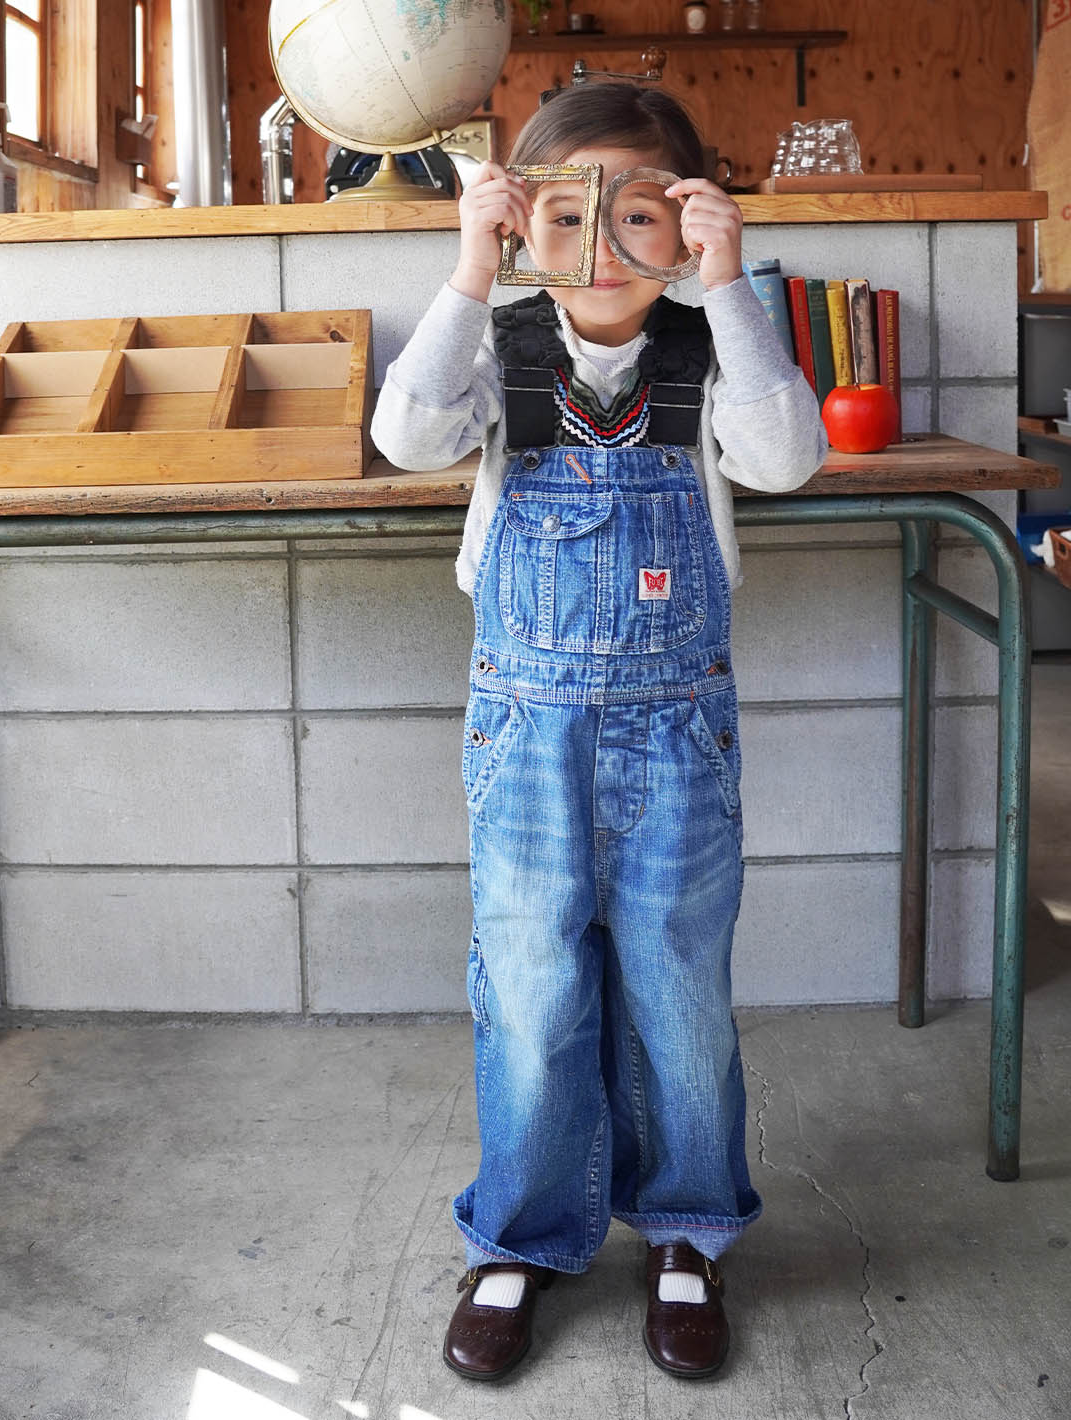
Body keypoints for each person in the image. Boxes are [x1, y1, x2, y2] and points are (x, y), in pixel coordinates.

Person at [371, 82, 826, 1382]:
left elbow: (785, 455)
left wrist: (731, 287)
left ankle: (686, 1233)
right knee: (528, 988)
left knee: (678, 990)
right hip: (524, 727)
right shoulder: (500, 349)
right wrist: (468, 270)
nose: (605, 252)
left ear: (687, 225)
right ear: (521, 224)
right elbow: (407, 436)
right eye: (567, 217)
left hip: (679, 728)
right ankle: (521, 1238)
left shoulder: (709, 348)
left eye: (640, 215)